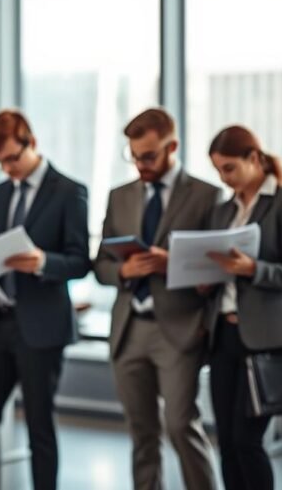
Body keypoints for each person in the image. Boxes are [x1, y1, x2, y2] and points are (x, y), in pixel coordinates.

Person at [0, 109, 91, 490]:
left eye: (13, 159)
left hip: (42, 326)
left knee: (39, 425)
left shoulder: (69, 191)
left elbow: (82, 261)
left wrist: (44, 262)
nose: (7, 168)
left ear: (32, 143)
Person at [94, 108, 219, 490]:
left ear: (172, 147)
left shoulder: (206, 196)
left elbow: (218, 270)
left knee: (181, 425)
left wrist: (174, 264)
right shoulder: (120, 197)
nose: (140, 164)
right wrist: (122, 273)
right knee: (141, 432)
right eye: (133, 155)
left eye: (148, 156)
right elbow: (100, 264)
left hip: (178, 330)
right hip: (129, 327)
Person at [204, 125, 282, 490]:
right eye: (218, 170)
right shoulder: (223, 211)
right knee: (228, 442)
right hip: (224, 335)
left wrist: (253, 269)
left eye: (229, 168)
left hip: (265, 338)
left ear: (254, 158)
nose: (224, 177)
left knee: (248, 441)